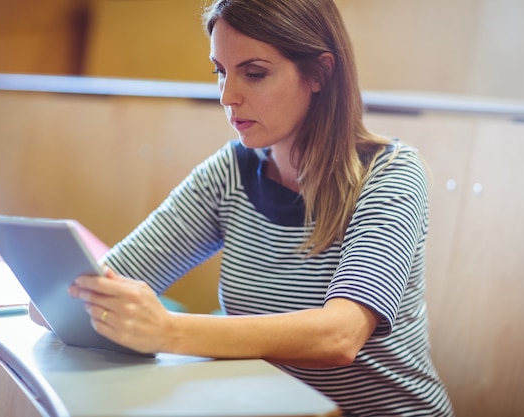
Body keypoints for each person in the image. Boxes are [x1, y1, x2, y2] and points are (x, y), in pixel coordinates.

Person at [63, 0, 455, 415]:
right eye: (220, 71)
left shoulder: (391, 173)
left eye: (254, 73)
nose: (228, 96)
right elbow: (103, 285)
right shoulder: (230, 173)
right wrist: (68, 294)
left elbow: (339, 336)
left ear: (320, 72)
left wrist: (168, 330)